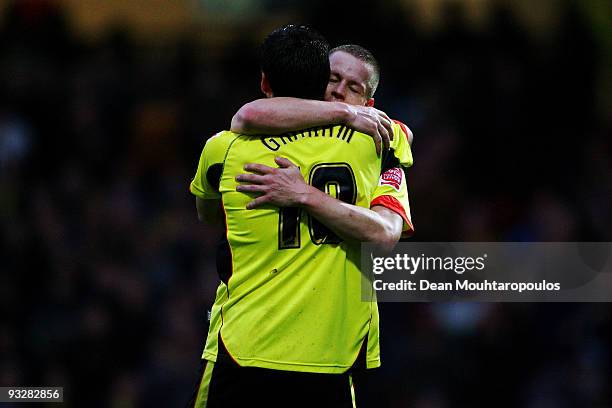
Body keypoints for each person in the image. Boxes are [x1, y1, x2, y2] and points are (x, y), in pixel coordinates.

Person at [189, 25, 412, 407]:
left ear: (370, 106)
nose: (340, 91)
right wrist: (343, 114)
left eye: (353, 88)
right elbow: (247, 115)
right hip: (301, 353)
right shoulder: (371, 148)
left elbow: (386, 235)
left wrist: (304, 195)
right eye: (332, 79)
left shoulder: (380, 142)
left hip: (275, 348)